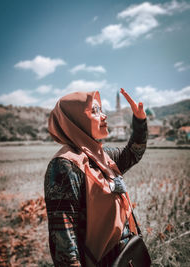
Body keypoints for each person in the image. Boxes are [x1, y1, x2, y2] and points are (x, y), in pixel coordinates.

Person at [44, 88, 148, 267]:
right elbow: (64, 238)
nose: (104, 116)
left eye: (101, 110)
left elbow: (132, 154)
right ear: (76, 121)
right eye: (94, 111)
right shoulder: (65, 165)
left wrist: (139, 121)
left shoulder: (100, 155)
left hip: (125, 255)